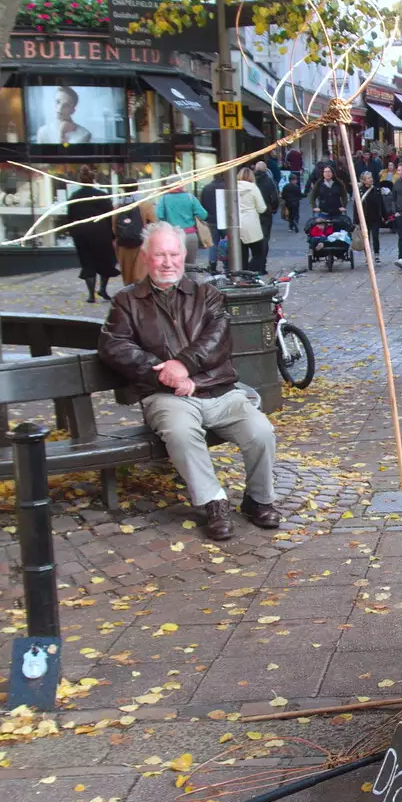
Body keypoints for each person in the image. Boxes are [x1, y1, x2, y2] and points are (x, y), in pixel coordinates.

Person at [99, 222, 280, 541]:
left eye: (173, 253)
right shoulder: (126, 301)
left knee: (261, 432)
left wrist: (183, 367)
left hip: (220, 391)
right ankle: (213, 502)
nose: (167, 262)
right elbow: (114, 346)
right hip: (164, 396)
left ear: (184, 255)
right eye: (159, 255)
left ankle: (258, 499)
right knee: (181, 433)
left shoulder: (206, 293)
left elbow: (217, 340)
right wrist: (165, 373)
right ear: (145, 257)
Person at [65, 166, 117, 303]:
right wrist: (112, 234)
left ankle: (91, 295)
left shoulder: (74, 197)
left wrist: (73, 232)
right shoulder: (101, 195)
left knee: (87, 262)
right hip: (101, 232)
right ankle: (103, 289)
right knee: (105, 261)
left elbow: (70, 218)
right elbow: (110, 215)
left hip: (81, 233)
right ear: (93, 179)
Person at [154, 181, 209, 271]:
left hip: (172, 237)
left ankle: (177, 284)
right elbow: (203, 215)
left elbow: (158, 216)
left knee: (174, 266)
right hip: (190, 236)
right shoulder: (190, 198)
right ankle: (190, 283)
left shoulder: (163, 199)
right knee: (191, 267)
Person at [114, 187, 158, 285]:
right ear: (137, 188)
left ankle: (129, 295)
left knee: (127, 275)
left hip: (123, 245)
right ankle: (140, 295)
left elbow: (114, 227)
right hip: (141, 244)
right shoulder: (146, 205)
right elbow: (154, 224)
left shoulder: (117, 206)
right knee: (140, 274)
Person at [235, 174, 270, 273]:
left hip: (236, 224)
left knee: (242, 254)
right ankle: (250, 272)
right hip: (251, 224)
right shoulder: (253, 188)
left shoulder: (232, 187)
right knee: (259, 252)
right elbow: (262, 208)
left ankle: (242, 274)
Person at [355, 171, 386, 259]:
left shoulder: (376, 190)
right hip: (364, 218)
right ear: (364, 180)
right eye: (368, 178)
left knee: (376, 236)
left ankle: (376, 254)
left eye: (371, 177)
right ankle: (367, 256)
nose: (370, 179)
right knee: (366, 238)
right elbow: (356, 206)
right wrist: (356, 220)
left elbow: (381, 204)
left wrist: (385, 216)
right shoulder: (360, 192)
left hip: (375, 217)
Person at [253, 161, 279, 249]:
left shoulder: (251, 181)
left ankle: (256, 254)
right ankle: (262, 256)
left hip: (253, 212)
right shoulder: (269, 181)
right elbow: (275, 197)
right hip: (266, 212)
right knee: (265, 235)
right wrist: (274, 209)